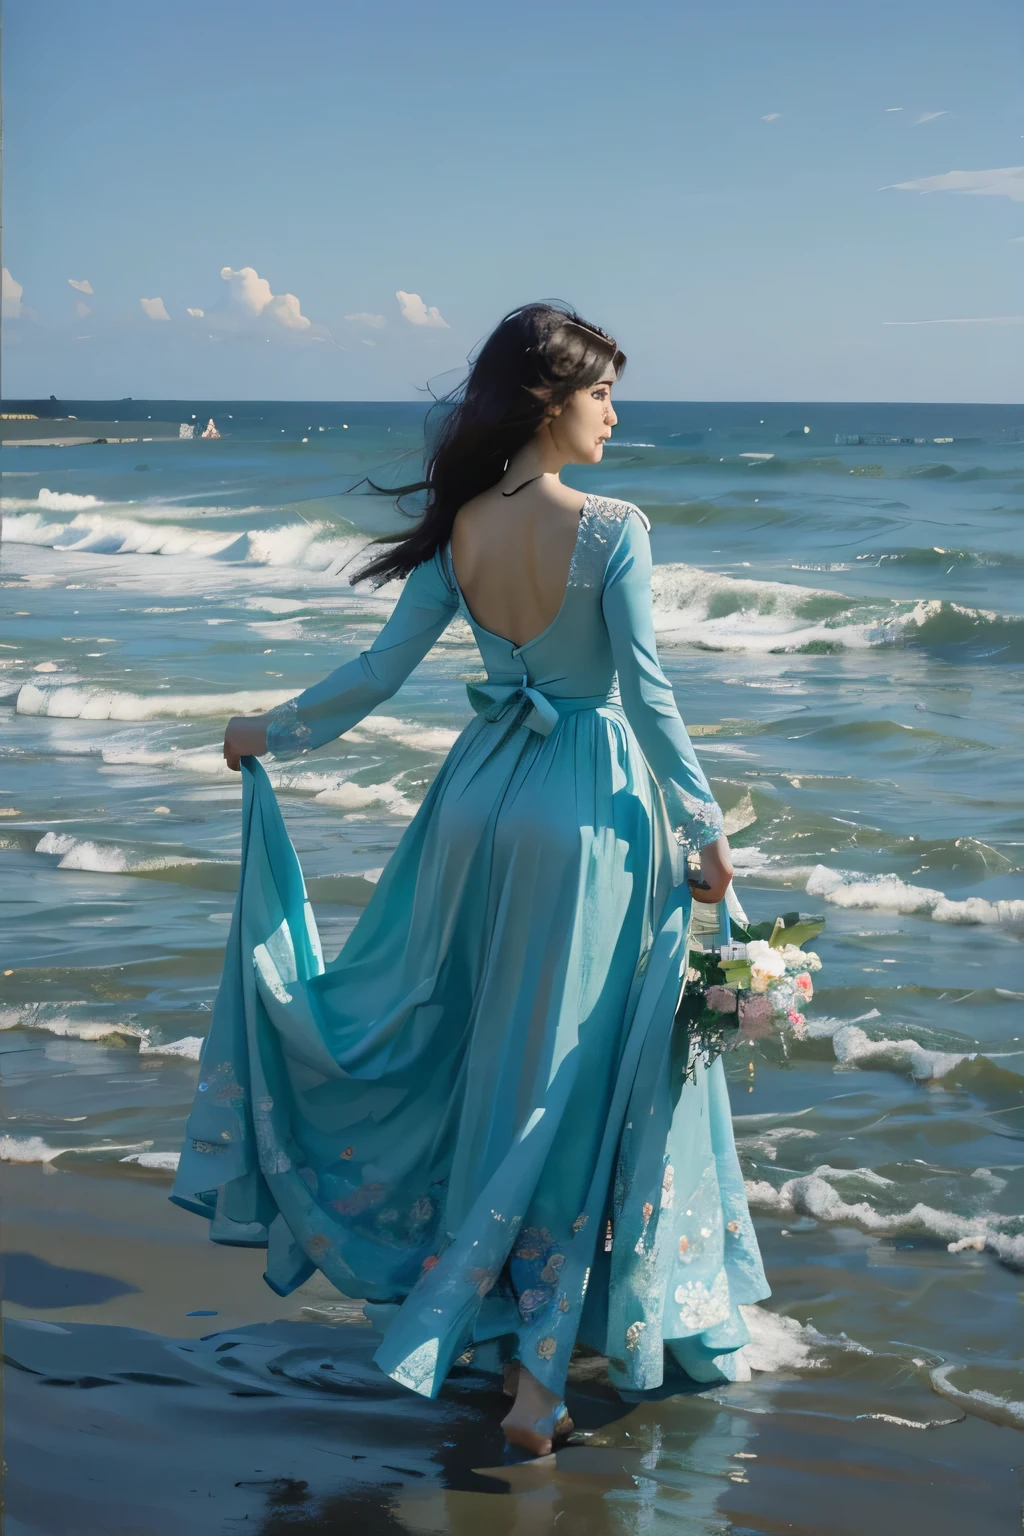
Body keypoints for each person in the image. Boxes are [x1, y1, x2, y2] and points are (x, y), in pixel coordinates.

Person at [170, 303, 769, 1457]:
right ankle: (536, 1375)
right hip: (584, 813)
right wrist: (704, 832)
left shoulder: (459, 532)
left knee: (486, 1054)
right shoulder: (611, 528)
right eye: (601, 391)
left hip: (475, 803)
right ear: (550, 399)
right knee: (564, 1077)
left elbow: (378, 671)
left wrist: (269, 731)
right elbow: (645, 694)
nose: (614, 411)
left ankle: (487, 1316)